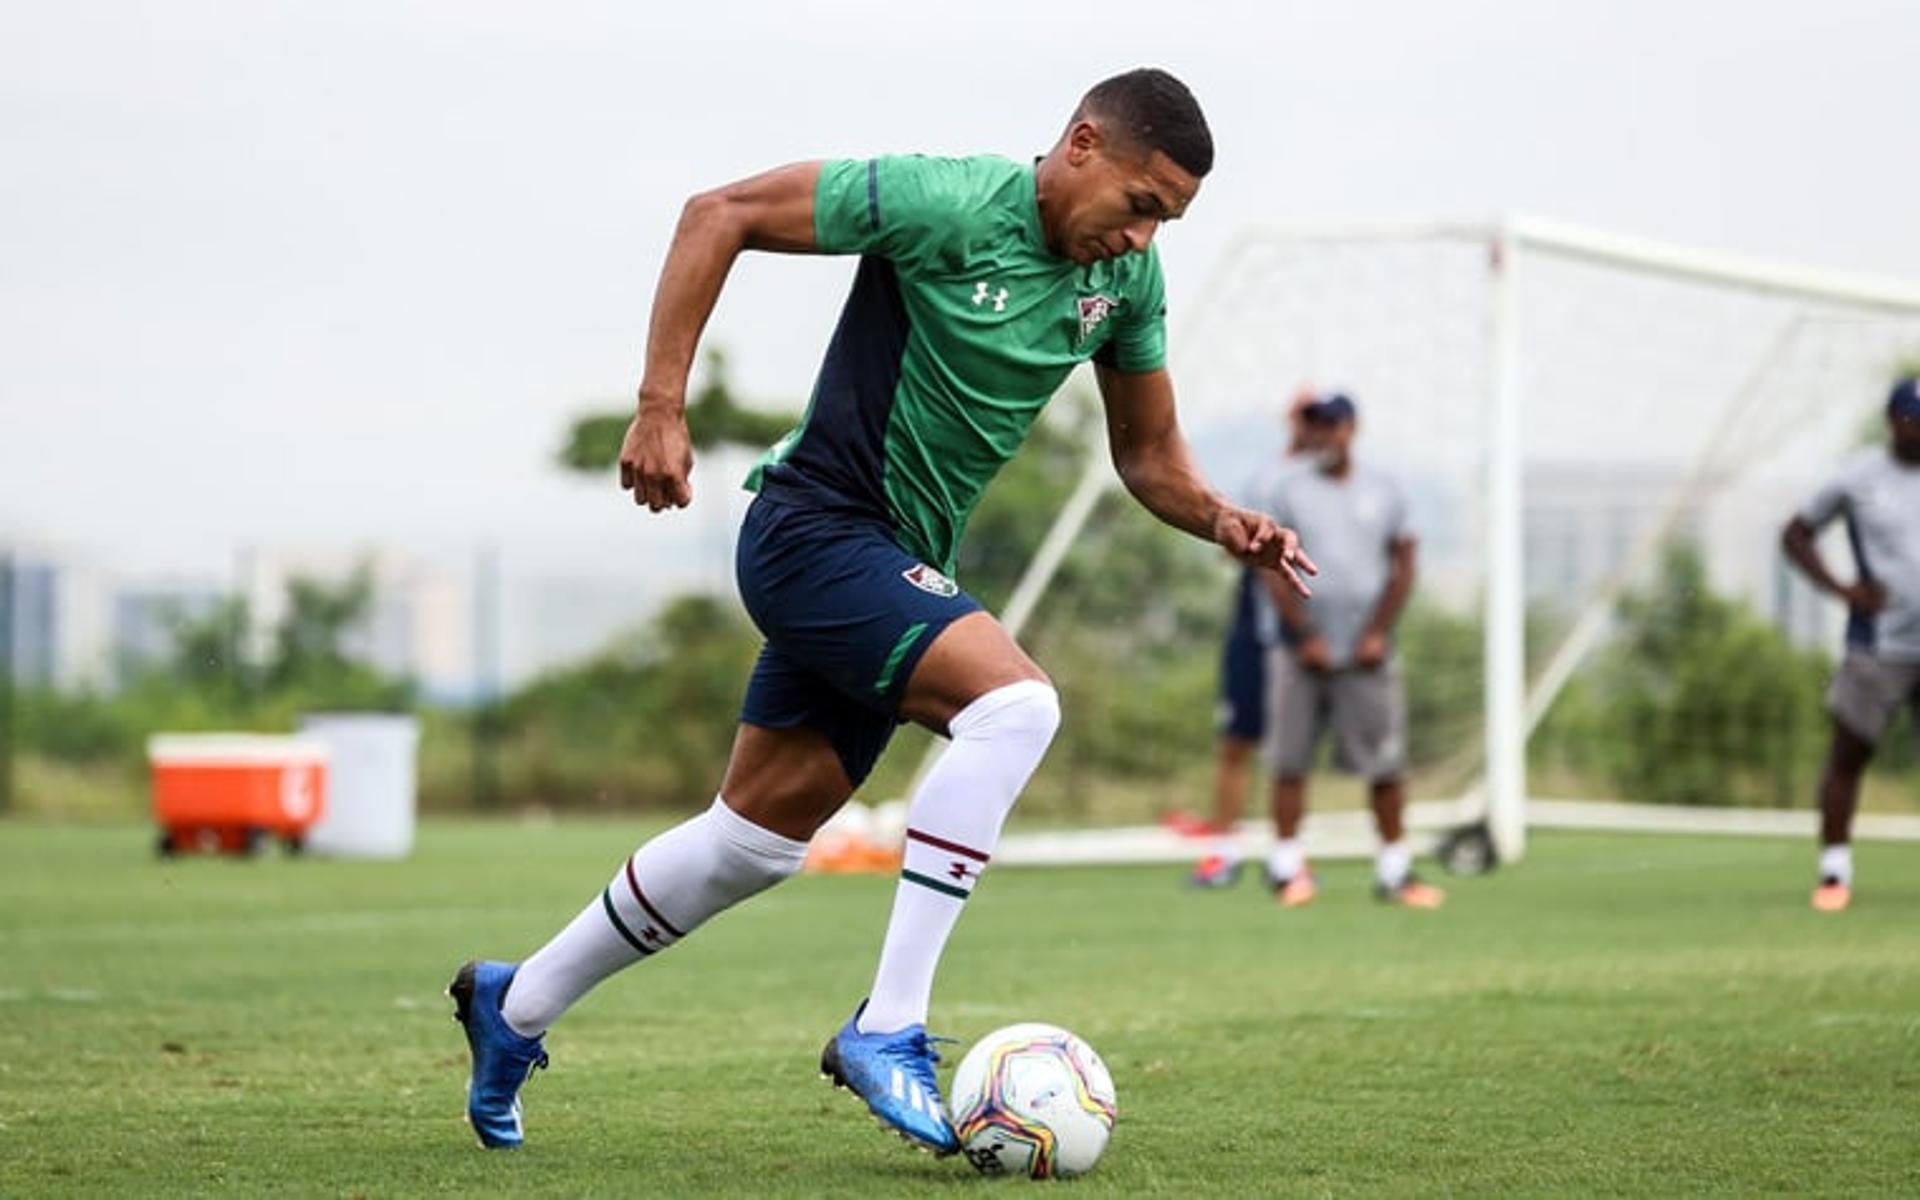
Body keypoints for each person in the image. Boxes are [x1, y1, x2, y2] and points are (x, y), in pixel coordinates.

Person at [449, 68, 1316, 1155]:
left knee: (749, 844)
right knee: (1015, 709)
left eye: (1168, 224)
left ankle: (513, 1005)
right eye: (1142, 206)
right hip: (816, 531)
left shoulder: (1127, 290)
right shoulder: (943, 203)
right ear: (1083, 145)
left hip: (891, 561)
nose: (1143, 240)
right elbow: (717, 213)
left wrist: (1226, 518)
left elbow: (1145, 454)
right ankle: (889, 1026)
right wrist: (660, 405)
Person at [1259, 394, 1442, 909]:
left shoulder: (1385, 488)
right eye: (1314, 427)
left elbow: (1403, 564)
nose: (1322, 436)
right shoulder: (1287, 488)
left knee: (1385, 762)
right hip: (1300, 651)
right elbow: (1270, 566)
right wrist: (1304, 635)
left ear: (1351, 429)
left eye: (1331, 426)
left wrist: (1377, 632)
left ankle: (1394, 871)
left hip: (1368, 651)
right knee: (1289, 759)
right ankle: (1287, 869)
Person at [1779, 376, 1920, 913]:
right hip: (1878, 645)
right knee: (1850, 751)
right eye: (1915, 421)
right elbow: (1795, 534)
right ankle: (1834, 871)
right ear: (1895, 421)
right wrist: (1843, 590)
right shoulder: (1858, 476)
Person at [1189, 389, 1315, 887]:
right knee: (1237, 740)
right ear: (1292, 420)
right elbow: (1237, 549)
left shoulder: (1337, 488)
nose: (1315, 428)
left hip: (1308, 633)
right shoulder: (1269, 480)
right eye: (1307, 416)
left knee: (1295, 746)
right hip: (1259, 631)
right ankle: (1224, 852)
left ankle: (1287, 857)